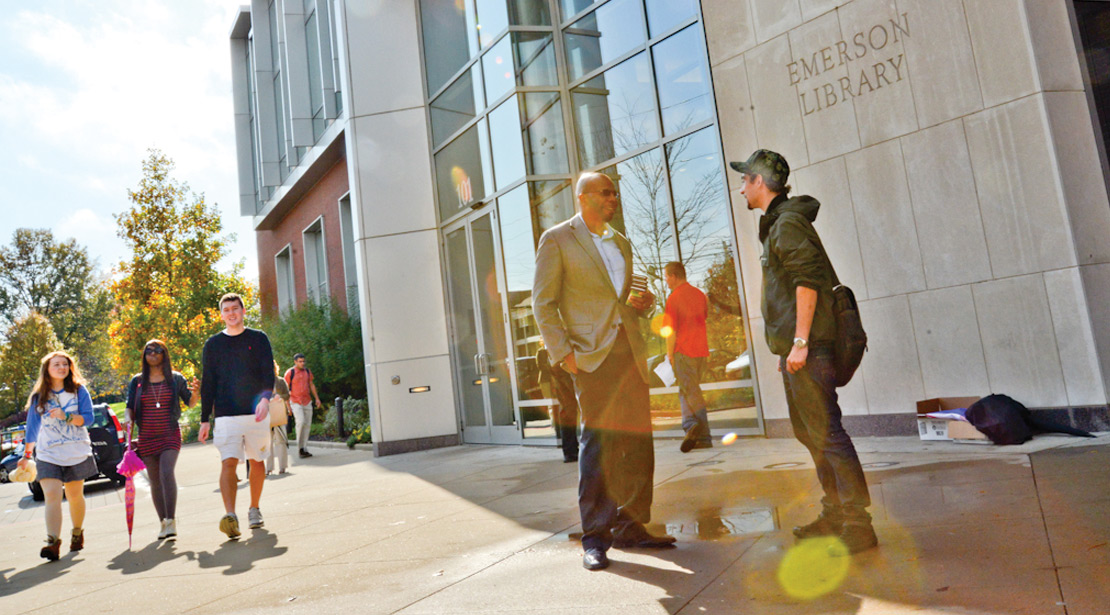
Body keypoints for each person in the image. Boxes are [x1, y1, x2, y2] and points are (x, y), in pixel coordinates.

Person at [731, 149, 877, 554]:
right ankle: (835, 514)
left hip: (810, 349)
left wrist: (799, 342)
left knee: (827, 433)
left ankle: (858, 524)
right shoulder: (780, 223)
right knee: (810, 433)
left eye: (745, 179)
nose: (741, 187)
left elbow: (807, 281)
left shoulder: (788, 224)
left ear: (760, 181)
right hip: (799, 350)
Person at [533, 171, 676, 571]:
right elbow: (543, 303)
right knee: (598, 445)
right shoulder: (558, 239)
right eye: (606, 192)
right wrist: (565, 355)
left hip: (628, 352)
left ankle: (631, 524)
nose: (614, 197)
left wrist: (642, 304)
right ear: (583, 198)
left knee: (637, 441)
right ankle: (595, 536)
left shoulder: (622, 243)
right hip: (589, 356)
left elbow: (621, 303)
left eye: (615, 191)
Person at [198, 293, 275, 540]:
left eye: (235, 308)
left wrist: (265, 398)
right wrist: (204, 419)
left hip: (256, 413)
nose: (231, 313)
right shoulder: (212, 345)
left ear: (243, 311)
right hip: (225, 414)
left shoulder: (258, 338)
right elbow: (208, 383)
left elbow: (267, 373)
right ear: (221, 315)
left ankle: (254, 509)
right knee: (228, 462)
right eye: (226, 310)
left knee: (257, 461)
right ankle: (230, 515)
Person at [17, 351, 97, 561]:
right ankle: (52, 542)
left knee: (74, 495)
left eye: (65, 364)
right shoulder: (39, 397)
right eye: (56, 364)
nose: (62, 367)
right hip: (47, 453)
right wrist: (26, 455)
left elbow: (89, 419)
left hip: (75, 451)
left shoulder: (79, 391)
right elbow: (32, 429)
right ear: (47, 369)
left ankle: (77, 531)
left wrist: (67, 416)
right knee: (51, 495)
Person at [124, 339, 199, 541]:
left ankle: (172, 520)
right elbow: (129, 406)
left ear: (165, 354)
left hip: (169, 434)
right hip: (147, 436)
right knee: (155, 480)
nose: (153, 354)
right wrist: (127, 419)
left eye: (158, 350)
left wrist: (197, 393)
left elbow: (190, 403)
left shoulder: (175, 379)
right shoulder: (137, 381)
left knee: (166, 472)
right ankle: (163, 523)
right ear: (144, 355)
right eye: (149, 350)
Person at [663, 261, 712, 453]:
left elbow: (670, 330)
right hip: (701, 352)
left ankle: (698, 431)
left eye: (666, 276)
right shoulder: (700, 295)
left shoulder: (674, 298)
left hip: (683, 351)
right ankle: (693, 428)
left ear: (674, 276)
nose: (666, 281)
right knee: (688, 390)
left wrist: (670, 354)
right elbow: (704, 317)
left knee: (691, 393)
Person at [536, 342, 579, 463]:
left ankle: (570, 451)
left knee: (567, 408)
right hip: (565, 364)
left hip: (558, 364)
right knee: (574, 407)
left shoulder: (548, 346)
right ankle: (571, 451)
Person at [284, 353, 322, 458]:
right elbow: (285, 390)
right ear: (295, 362)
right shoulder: (290, 373)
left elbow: (311, 385)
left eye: (303, 361)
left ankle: (304, 448)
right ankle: (299, 447)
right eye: (300, 361)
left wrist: (317, 399)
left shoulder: (307, 372)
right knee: (300, 422)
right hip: (295, 401)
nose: (302, 363)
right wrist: (288, 406)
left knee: (307, 424)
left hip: (307, 400)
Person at [268, 361, 293, 475]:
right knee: (267, 442)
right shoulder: (261, 383)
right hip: (266, 415)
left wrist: (280, 397)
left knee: (281, 440)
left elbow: (287, 395)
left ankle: (282, 467)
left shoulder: (281, 381)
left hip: (279, 414)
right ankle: (269, 468)